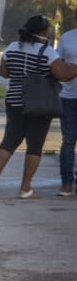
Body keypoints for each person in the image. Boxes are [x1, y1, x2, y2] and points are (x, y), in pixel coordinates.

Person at [0, 16, 64, 200]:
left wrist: (20, 73)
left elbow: (4, 72)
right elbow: (61, 74)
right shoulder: (48, 52)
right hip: (38, 103)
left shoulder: (12, 47)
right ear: (43, 32)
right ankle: (25, 188)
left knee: (9, 141)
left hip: (14, 100)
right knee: (34, 145)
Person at [58, 28, 77, 196]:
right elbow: (58, 64)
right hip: (68, 97)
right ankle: (66, 183)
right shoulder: (67, 37)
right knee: (68, 141)